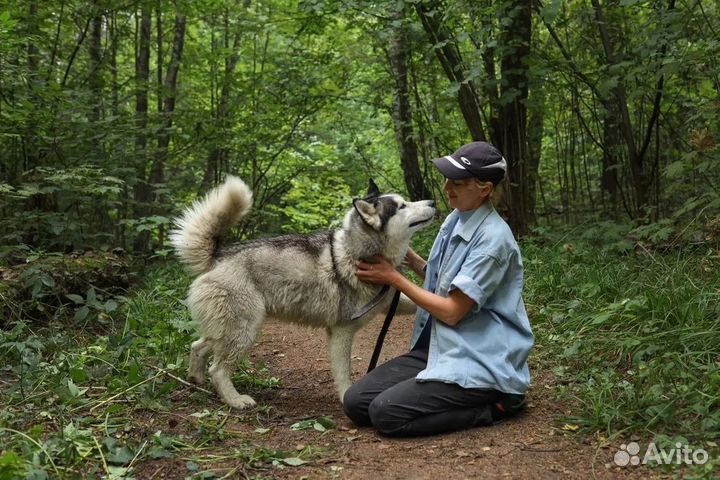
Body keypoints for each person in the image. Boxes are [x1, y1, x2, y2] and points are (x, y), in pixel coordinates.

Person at [343, 141, 534, 437]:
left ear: (484, 189)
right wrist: (406, 255)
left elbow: (453, 311)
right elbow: (444, 278)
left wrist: (393, 277)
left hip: (478, 360)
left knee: (386, 414)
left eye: (458, 182)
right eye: (448, 180)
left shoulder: (493, 241)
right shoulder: (456, 218)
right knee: (356, 404)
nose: (447, 189)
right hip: (439, 347)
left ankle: (497, 405)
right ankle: (439, 387)